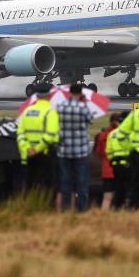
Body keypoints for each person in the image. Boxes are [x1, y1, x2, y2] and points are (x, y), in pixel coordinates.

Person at [17, 84, 60, 194]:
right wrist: (37, 149)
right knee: (47, 187)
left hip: (28, 155)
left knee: (29, 186)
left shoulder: (27, 111)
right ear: (50, 95)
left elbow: (20, 134)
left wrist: (27, 148)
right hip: (45, 155)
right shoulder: (51, 112)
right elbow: (50, 135)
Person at [56, 84, 93, 212]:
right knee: (81, 181)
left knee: (65, 181)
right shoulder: (83, 107)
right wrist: (84, 103)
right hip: (80, 151)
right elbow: (90, 120)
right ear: (80, 93)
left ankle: (66, 207)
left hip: (64, 150)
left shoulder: (60, 107)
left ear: (69, 93)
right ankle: (81, 208)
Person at [93, 113, 120, 210]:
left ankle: (103, 217)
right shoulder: (122, 135)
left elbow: (98, 152)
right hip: (120, 169)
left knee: (107, 197)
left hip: (107, 169)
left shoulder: (102, 135)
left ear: (109, 122)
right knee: (120, 196)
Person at [106, 111, 131, 209]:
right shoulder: (131, 133)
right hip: (129, 165)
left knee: (118, 189)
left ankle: (117, 208)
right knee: (130, 189)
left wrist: (113, 161)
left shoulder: (112, 134)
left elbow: (108, 151)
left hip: (116, 166)